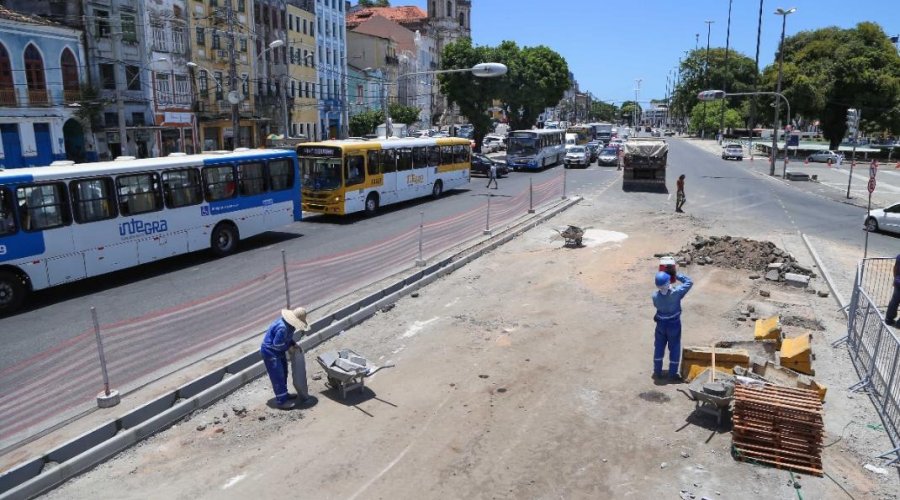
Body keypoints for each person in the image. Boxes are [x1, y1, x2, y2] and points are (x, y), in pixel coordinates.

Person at [260, 307, 311, 409]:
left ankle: (284, 394)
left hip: (278, 352)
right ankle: (281, 401)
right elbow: (277, 344)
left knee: (284, 372)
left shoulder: (289, 326)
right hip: (271, 353)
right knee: (277, 375)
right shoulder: (282, 328)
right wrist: (289, 347)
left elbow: (287, 338)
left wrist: (293, 343)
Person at [652, 271, 693, 381]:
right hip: (673, 324)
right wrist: (676, 274)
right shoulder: (676, 293)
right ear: (668, 282)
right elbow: (689, 282)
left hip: (660, 324)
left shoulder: (655, 296)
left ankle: (657, 371)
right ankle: (672, 374)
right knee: (674, 347)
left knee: (659, 347)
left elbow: (657, 305)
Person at [885, 254, 900, 327]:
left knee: (894, 301)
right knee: (894, 301)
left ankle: (889, 319)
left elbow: (895, 268)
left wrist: (896, 278)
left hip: (898, 282)